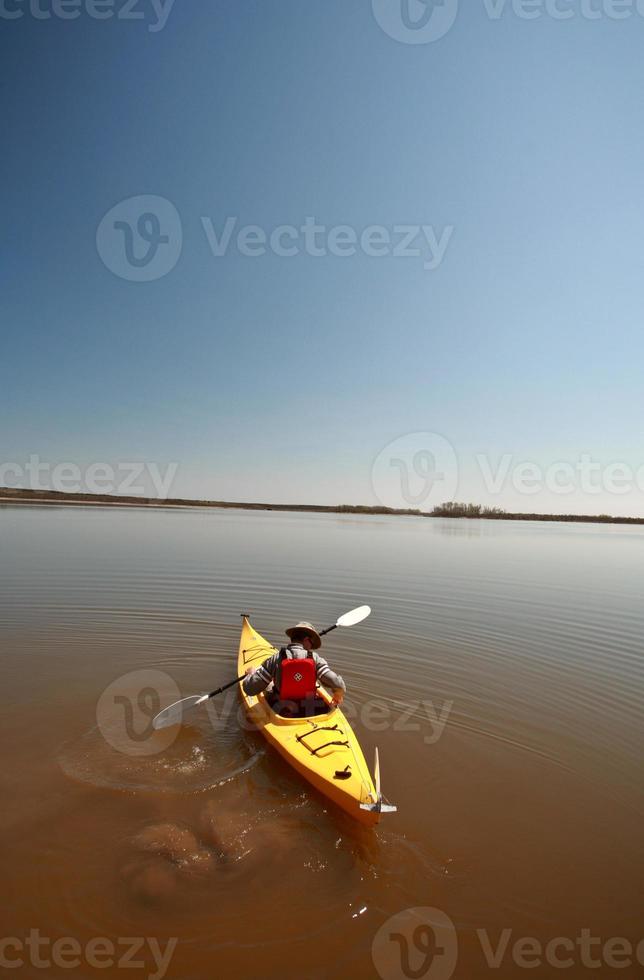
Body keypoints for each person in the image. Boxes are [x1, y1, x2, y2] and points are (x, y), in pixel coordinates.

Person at [243, 621, 346, 716]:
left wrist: (250, 675)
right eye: (311, 643)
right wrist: (338, 693)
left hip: (282, 709)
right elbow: (337, 683)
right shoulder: (315, 659)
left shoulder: (275, 659)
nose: (311, 647)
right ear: (306, 640)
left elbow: (250, 689)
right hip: (308, 708)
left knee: (269, 685)